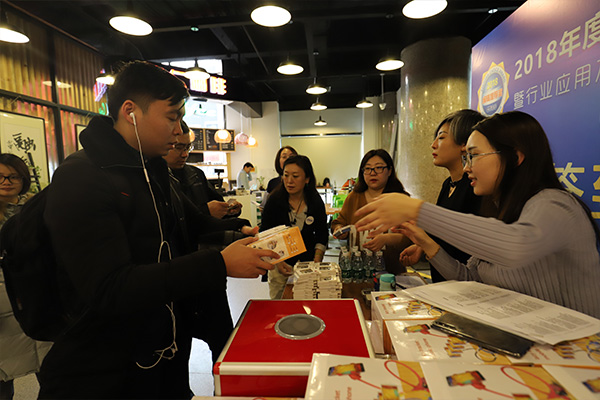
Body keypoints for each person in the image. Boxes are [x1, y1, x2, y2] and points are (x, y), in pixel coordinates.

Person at [38, 61, 278, 399]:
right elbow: (110, 288)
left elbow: (194, 223)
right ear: (131, 112)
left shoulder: (153, 169)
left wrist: (245, 235)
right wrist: (220, 263)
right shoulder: (82, 176)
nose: (179, 131)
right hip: (105, 373)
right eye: (171, 117)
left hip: (165, 356)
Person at [355, 111, 600, 318]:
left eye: (473, 156)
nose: (467, 167)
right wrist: (426, 243)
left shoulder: (556, 204)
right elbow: (469, 276)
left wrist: (417, 210)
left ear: (515, 157)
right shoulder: (501, 210)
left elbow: (516, 246)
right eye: (466, 158)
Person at [400, 109, 485, 282]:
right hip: (443, 283)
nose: (433, 145)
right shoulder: (448, 184)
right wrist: (421, 247)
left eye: (441, 137)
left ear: (465, 144)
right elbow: (444, 234)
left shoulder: (475, 188)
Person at [0, 154, 52, 400]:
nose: (6, 182)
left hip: (34, 298)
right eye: (0, 177)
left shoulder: (35, 209)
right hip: (2, 306)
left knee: (51, 373)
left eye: (13, 177)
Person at [331, 149, 411, 274]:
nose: (372, 173)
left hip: (391, 272)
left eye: (379, 168)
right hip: (358, 271)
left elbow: (410, 237)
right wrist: (339, 229)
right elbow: (339, 222)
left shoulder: (400, 199)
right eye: (367, 169)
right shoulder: (353, 197)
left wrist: (387, 238)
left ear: (389, 171)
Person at [260, 155, 328, 299]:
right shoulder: (274, 201)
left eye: (295, 176)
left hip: (307, 264)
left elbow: (322, 234)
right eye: (286, 175)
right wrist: (278, 262)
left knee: (307, 302)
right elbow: (265, 234)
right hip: (279, 265)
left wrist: (316, 262)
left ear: (307, 179)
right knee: (280, 302)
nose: (289, 181)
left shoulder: (315, 202)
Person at [164, 121, 242, 218]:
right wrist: (206, 211)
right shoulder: (155, 180)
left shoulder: (196, 174)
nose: (185, 154)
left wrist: (229, 209)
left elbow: (219, 205)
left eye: (187, 147)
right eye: (179, 148)